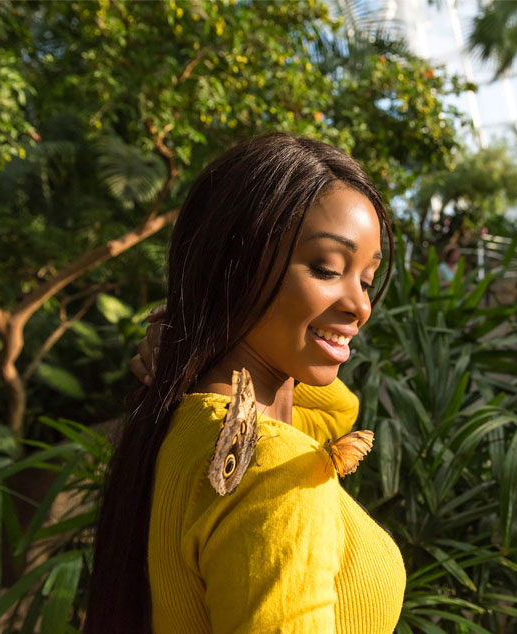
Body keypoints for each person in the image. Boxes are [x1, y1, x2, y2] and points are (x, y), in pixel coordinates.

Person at [85, 134, 405, 634]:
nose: (361, 305)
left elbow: (337, 411)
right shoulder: (277, 473)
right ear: (232, 262)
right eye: (326, 268)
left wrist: (196, 332)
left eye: (365, 278)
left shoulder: (188, 420)